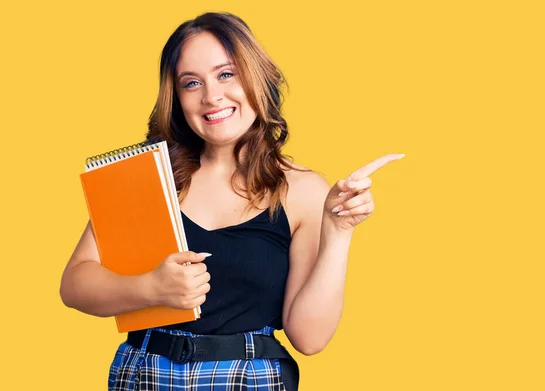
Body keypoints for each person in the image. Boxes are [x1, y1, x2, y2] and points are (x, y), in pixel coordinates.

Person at [60, 11, 403, 391]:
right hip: (143, 376)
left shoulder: (302, 191)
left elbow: (310, 338)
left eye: (227, 74)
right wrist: (151, 289)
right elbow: (74, 285)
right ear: (176, 97)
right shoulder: (146, 176)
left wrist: (337, 231)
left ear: (256, 77)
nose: (211, 96)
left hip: (249, 379)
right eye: (192, 83)